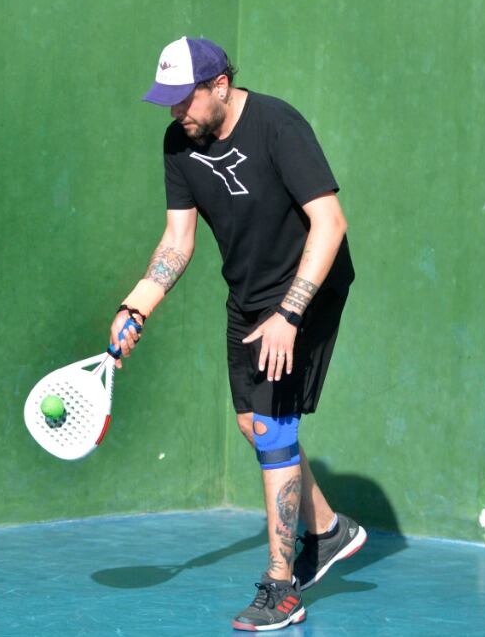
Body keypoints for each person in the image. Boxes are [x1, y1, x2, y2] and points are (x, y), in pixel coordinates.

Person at [109, 37, 366, 632]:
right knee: (254, 425)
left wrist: (290, 315)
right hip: (248, 295)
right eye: (169, 102)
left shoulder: (279, 125)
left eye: (185, 100)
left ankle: (282, 585)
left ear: (220, 85)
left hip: (310, 285)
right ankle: (330, 531)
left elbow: (330, 224)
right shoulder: (179, 142)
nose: (177, 113)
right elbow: (177, 241)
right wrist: (137, 307)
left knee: (275, 425)